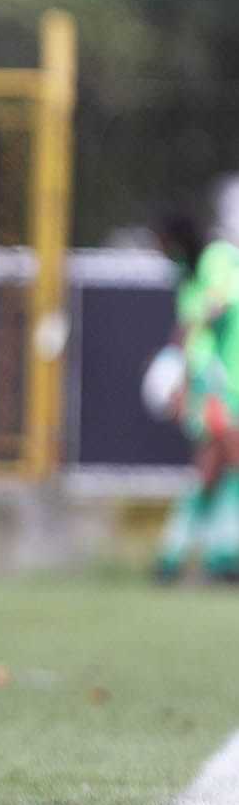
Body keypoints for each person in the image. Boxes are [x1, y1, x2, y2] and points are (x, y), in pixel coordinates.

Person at [151, 207, 239, 582]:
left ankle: (177, 556)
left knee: (212, 468)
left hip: (226, 378)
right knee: (227, 462)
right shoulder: (186, 281)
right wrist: (181, 383)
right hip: (216, 385)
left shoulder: (219, 258)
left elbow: (218, 307)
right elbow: (190, 335)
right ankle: (221, 557)